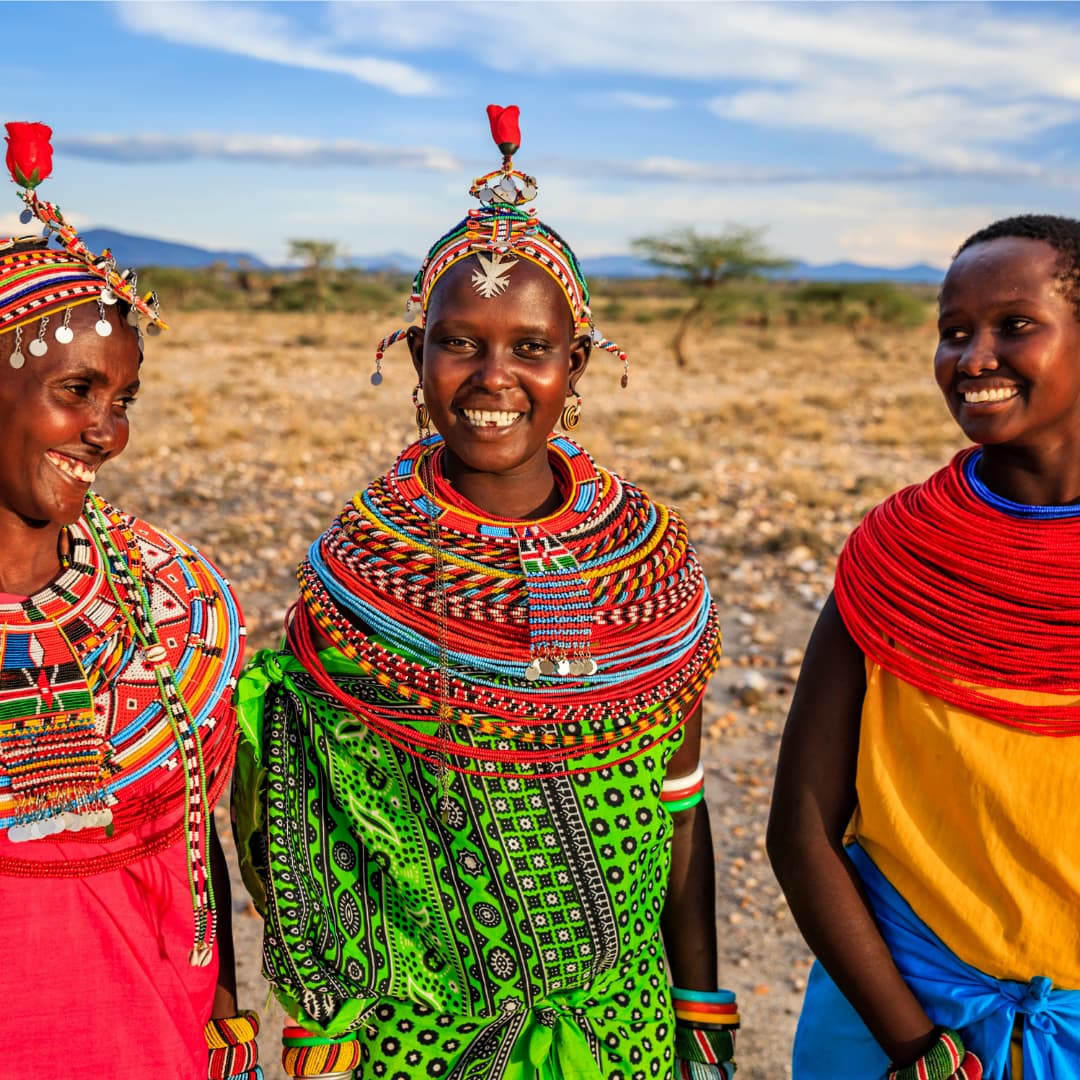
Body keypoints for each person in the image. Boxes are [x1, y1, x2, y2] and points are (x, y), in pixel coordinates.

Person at [233, 105, 737, 1080]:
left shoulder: (646, 572)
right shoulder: (360, 580)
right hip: (419, 1043)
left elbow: (681, 807)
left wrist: (701, 1015)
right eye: (460, 343)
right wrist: (326, 1030)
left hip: (624, 1029)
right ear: (416, 356)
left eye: (530, 348)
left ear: (574, 365)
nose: (493, 377)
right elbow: (312, 829)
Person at [767, 214, 1080, 1080]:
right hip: (891, 1020)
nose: (974, 358)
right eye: (954, 331)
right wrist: (918, 1049)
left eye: (1015, 324)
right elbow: (800, 830)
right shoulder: (900, 554)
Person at [0, 122, 260, 1079]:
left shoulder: (166, 600)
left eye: (124, 401)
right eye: (76, 391)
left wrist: (226, 1025)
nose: (106, 433)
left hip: (147, 1041)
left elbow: (195, 840)